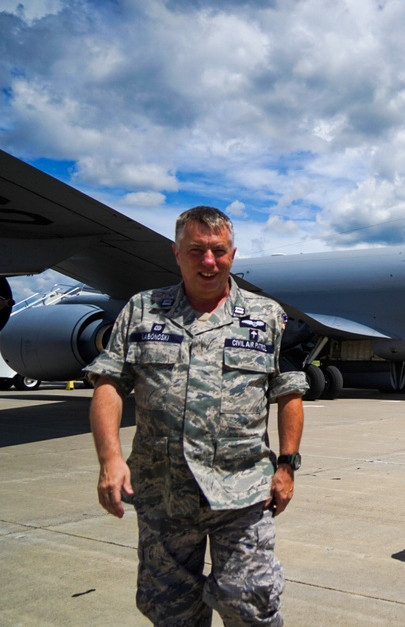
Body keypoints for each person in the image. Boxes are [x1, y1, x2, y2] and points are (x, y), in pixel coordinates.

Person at [86, 206, 307, 626]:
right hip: (162, 491)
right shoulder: (142, 310)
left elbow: (289, 394)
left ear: (233, 253)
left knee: (250, 604)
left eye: (218, 251)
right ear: (176, 252)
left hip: (244, 493)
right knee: (171, 610)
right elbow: (109, 384)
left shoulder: (266, 317)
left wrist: (287, 465)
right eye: (196, 250)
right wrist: (110, 461)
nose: (209, 261)